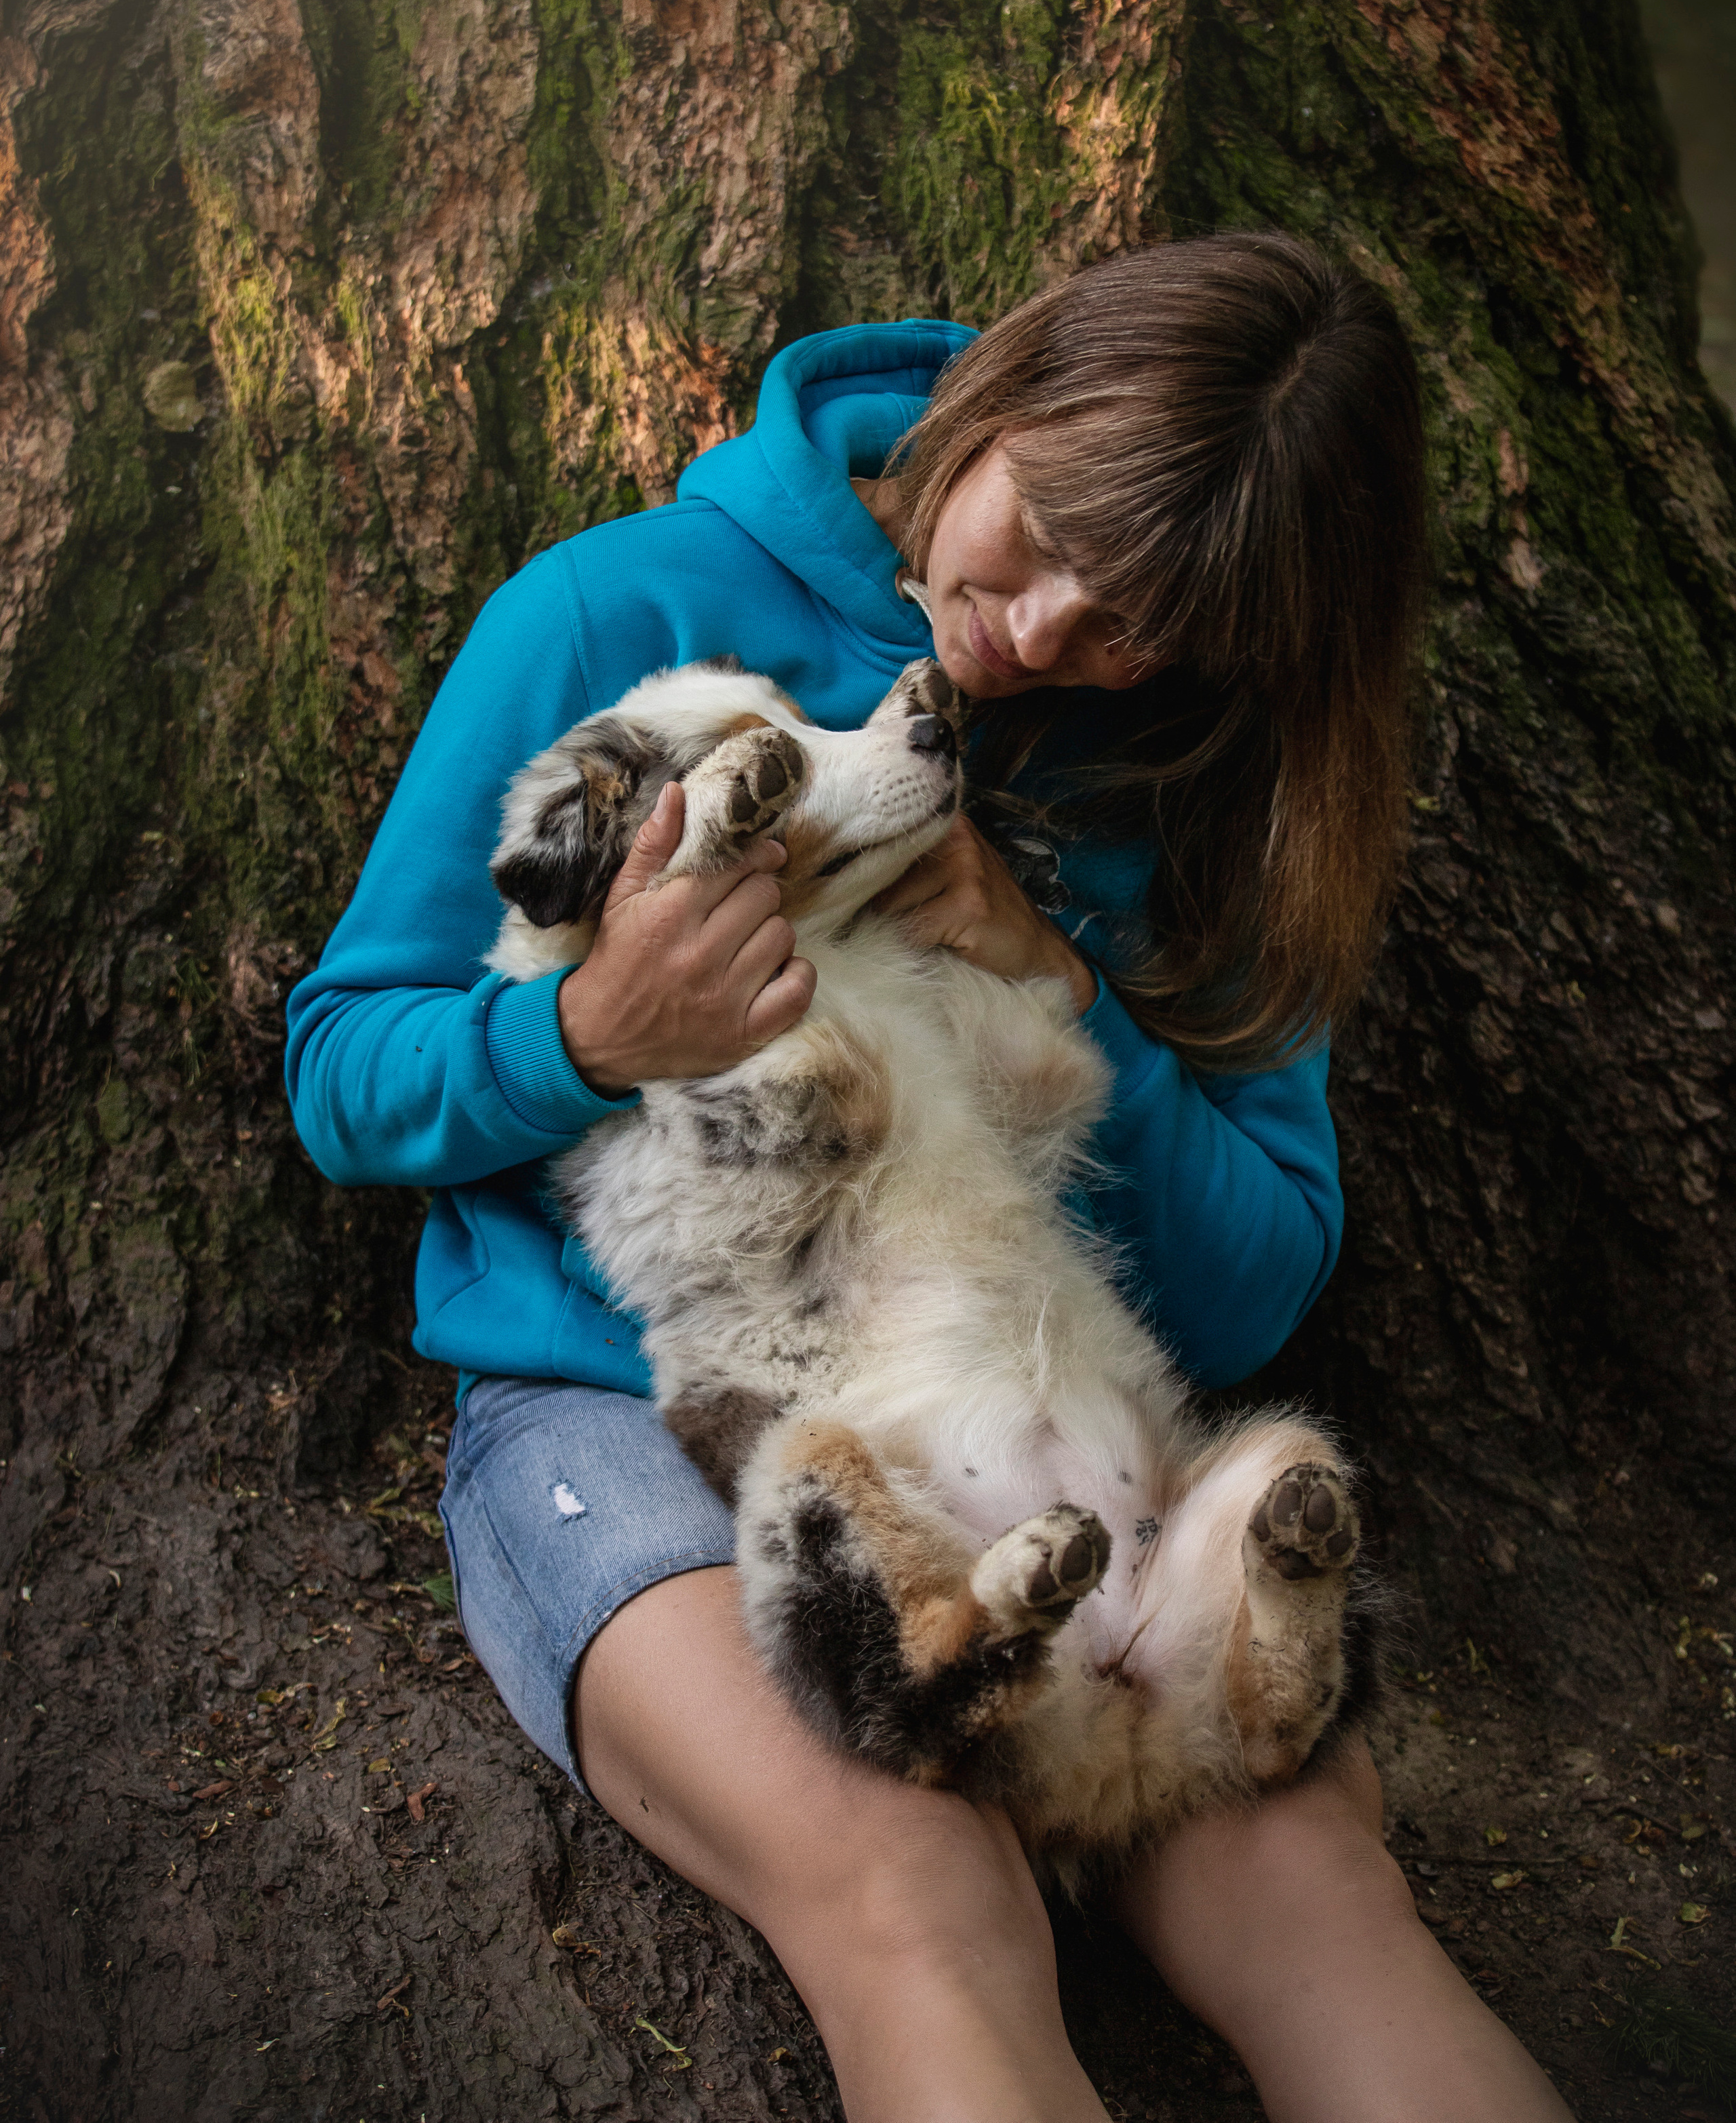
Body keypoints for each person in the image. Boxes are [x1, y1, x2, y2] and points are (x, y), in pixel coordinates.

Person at [286, 234, 1574, 2123]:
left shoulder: (1222, 760)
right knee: (919, 1889)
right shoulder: (623, 609)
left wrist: (1054, 983)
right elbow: (341, 1065)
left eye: (1133, 619)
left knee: (1311, 1890)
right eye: (1037, 532)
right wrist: (585, 1040)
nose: (1042, 632)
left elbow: (1254, 1280)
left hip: (1044, 1395)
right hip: (644, 1406)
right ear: (1011, 396)